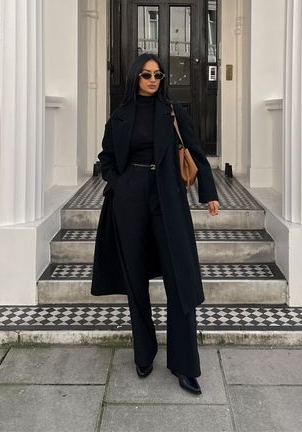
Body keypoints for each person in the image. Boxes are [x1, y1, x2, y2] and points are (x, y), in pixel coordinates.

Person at [91, 52, 220, 394]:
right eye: (146, 75)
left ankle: (184, 365)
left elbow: (196, 153)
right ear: (135, 77)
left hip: (168, 199)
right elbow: (105, 160)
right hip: (129, 200)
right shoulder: (119, 116)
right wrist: (120, 183)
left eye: (158, 75)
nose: (152, 80)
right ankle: (144, 354)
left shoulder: (174, 113)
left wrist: (209, 192)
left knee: (179, 280)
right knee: (136, 280)